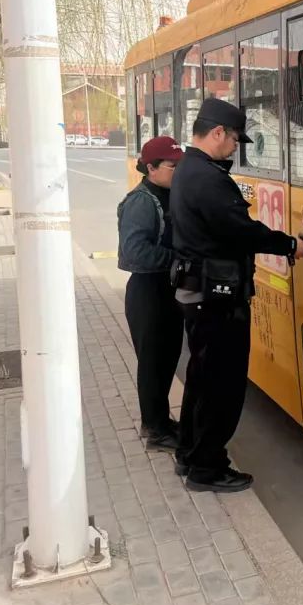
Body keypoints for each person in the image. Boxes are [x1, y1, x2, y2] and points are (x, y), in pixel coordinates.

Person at [170, 98, 303, 492]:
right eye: (234, 140)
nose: (236, 147)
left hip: (197, 291)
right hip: (217, 298)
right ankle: (207, 468)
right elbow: (241, 230)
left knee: (200, 375)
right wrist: (288, 245)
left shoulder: (188, 170)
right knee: (222, 385)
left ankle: (189, 452)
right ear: (217, 133)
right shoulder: (208, 179)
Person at [117, 135, 185, 452]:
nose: (178, 171)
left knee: (167, 357)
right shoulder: (142, 202)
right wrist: (176, 259)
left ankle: (161, 420)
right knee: (152, 363)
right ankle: (155, 429)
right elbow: (132, 252)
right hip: (148, 291)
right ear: (152, 167)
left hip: (166, 289)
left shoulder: (166, 193)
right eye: (173, 165)